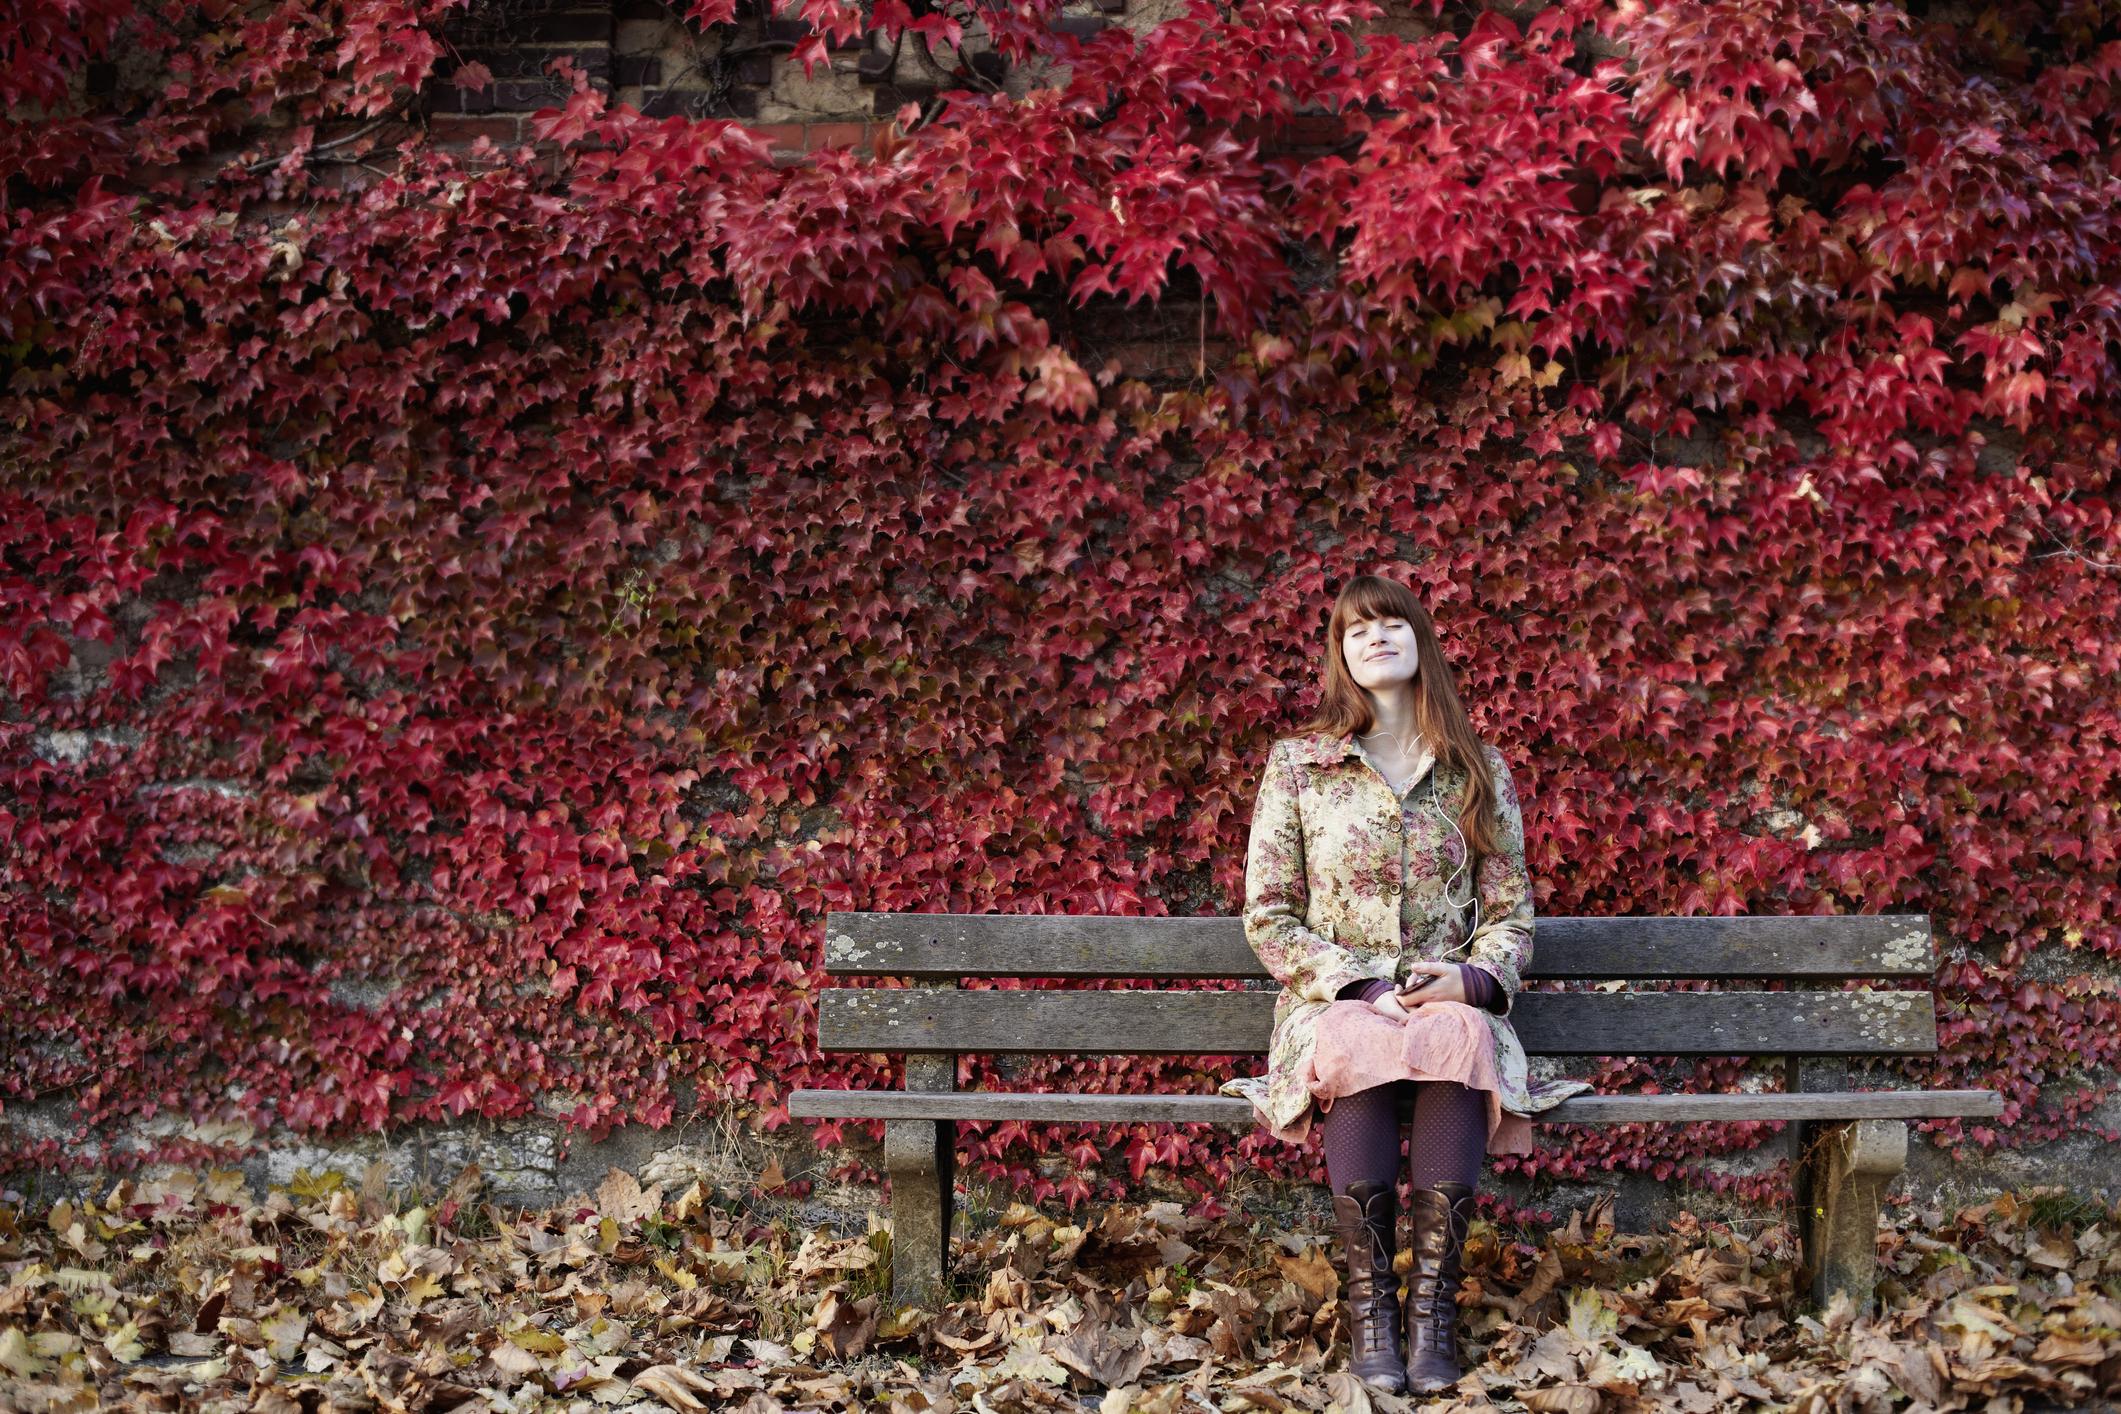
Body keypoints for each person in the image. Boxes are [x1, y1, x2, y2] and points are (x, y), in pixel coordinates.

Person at [1221, 575, 1589, 1393]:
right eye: (1357, 630)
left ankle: (1430, 1318)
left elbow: (1509, 911)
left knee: (1453, 1037)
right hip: (1333, 1002)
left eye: (1391, 623)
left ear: (1420, 641)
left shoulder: (1476, 770)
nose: (1375, 637)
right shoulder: (1300, 767)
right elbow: (1270, 913)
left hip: (1444, 1001)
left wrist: (1471, 978)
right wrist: (1355, 986)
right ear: (1340, 656)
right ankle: (1370, 1314)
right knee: (1356, 1044)